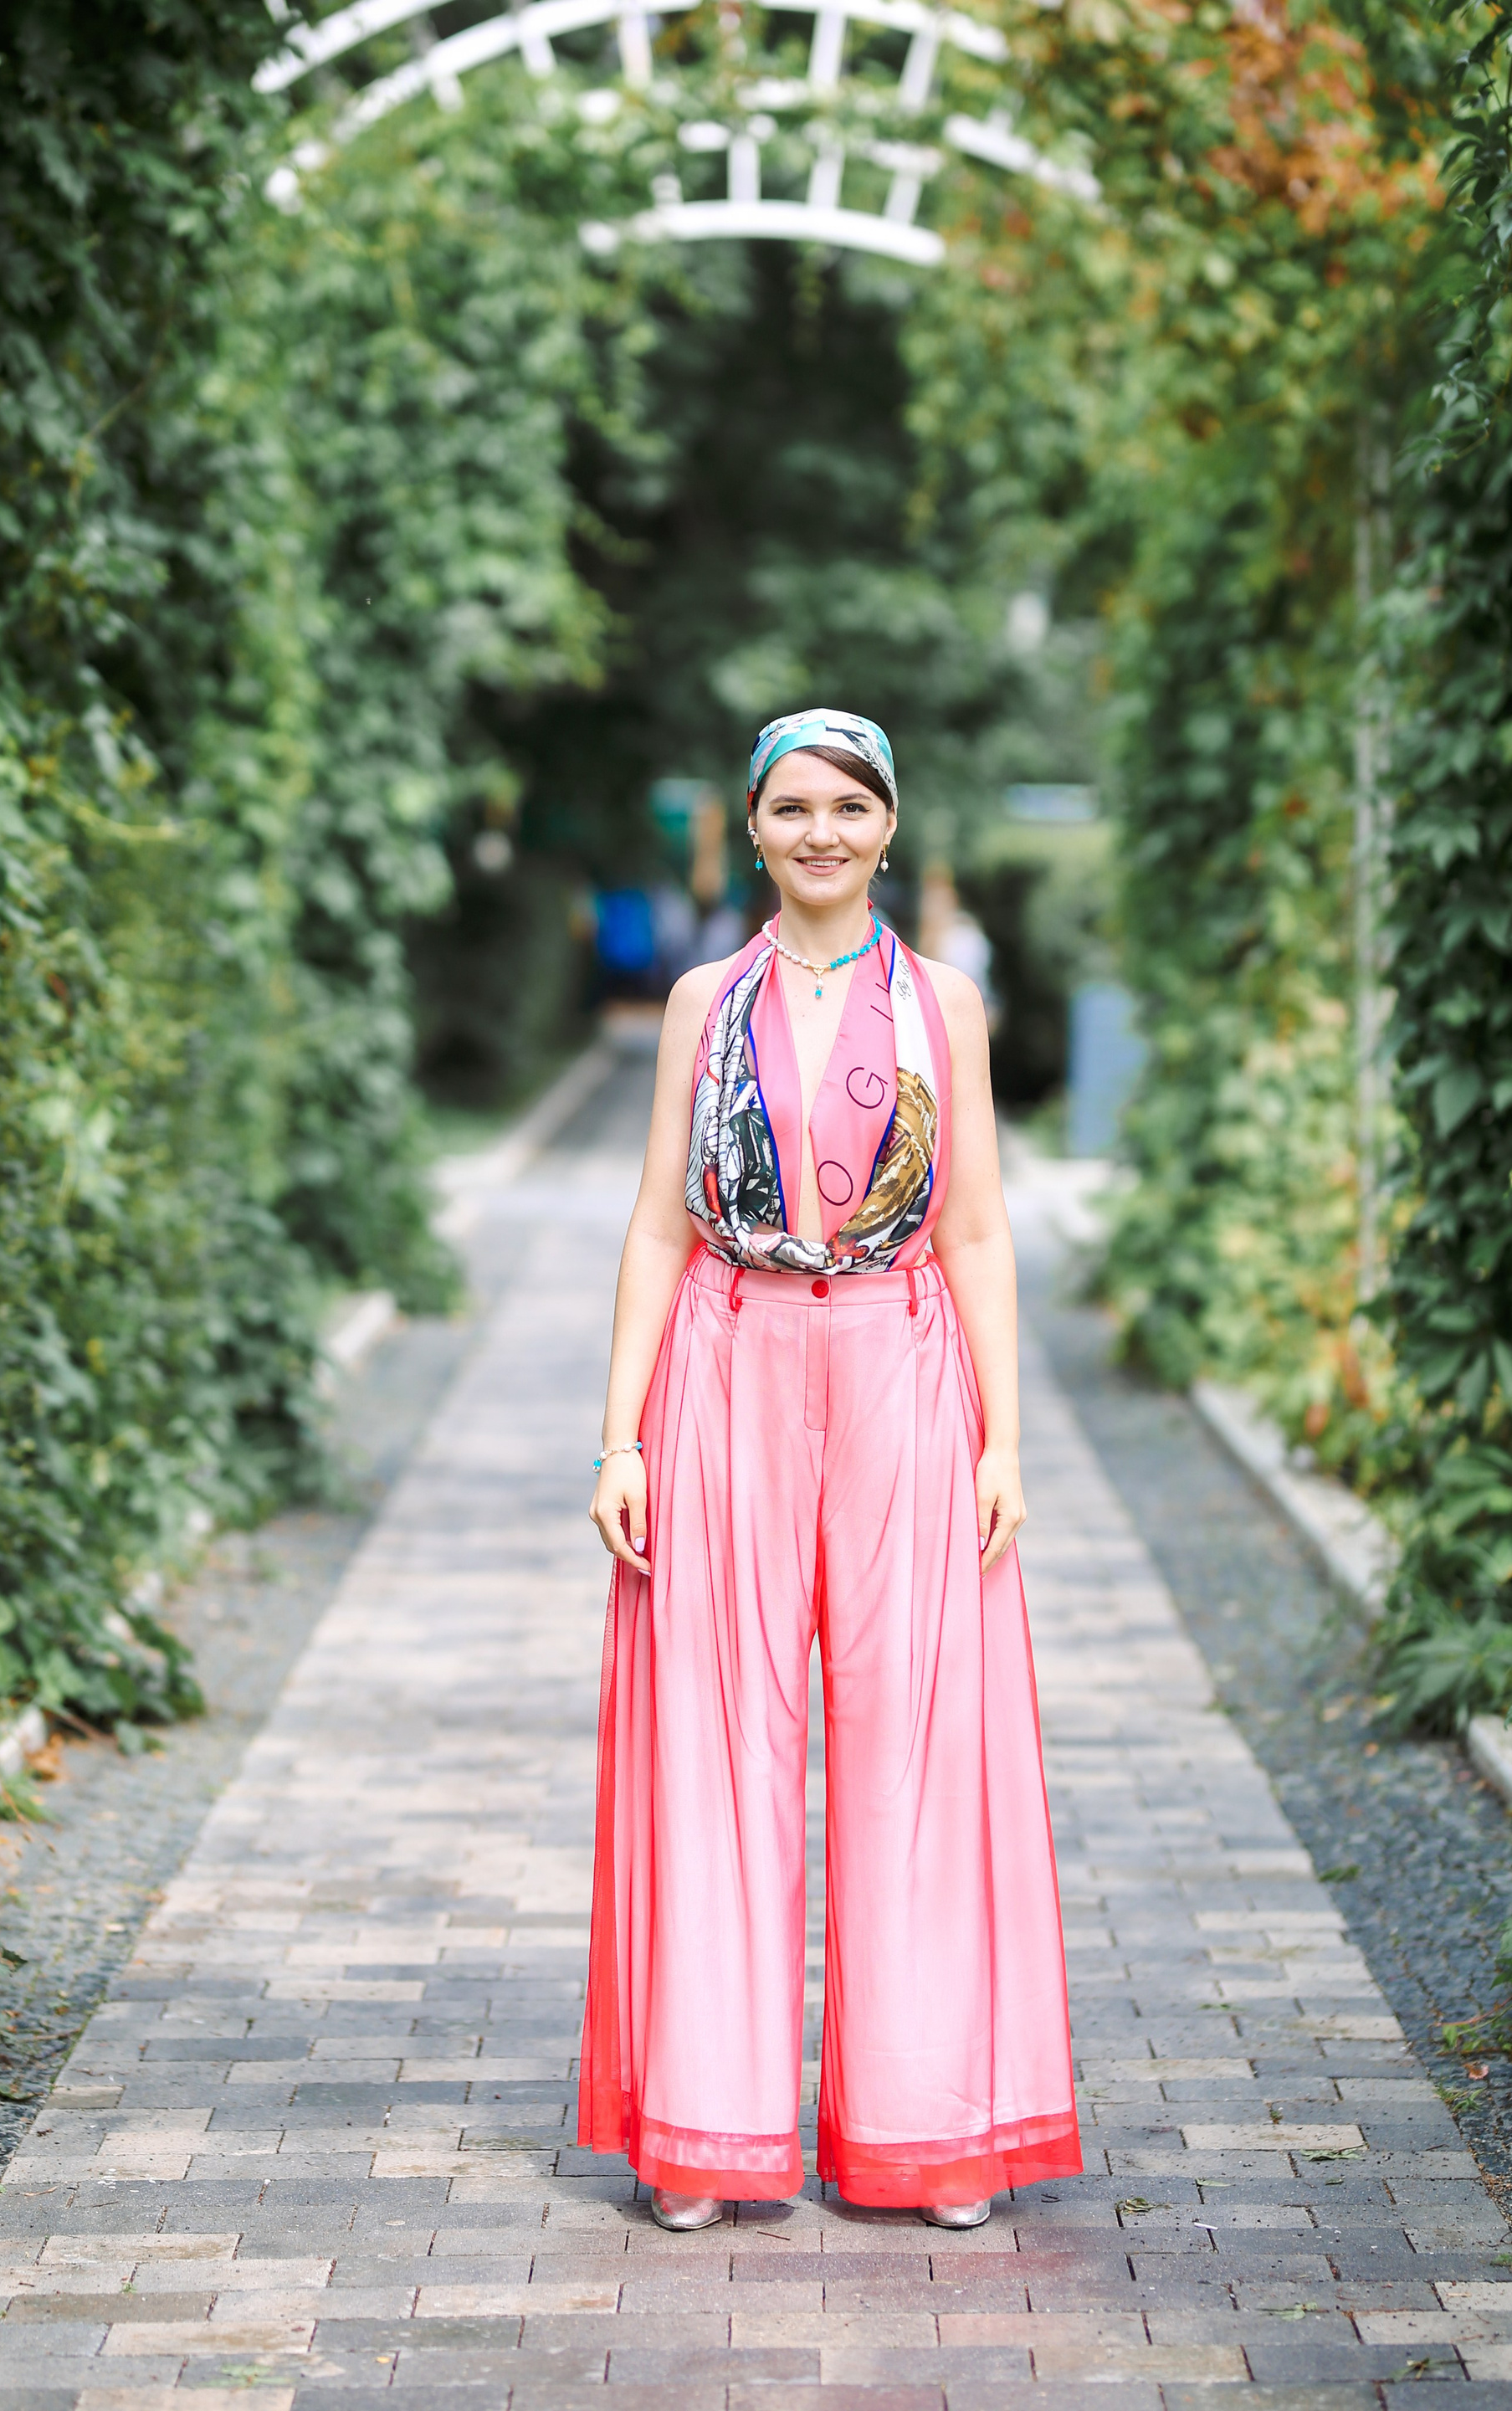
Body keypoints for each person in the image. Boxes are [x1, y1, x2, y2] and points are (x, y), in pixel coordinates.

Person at [579, 708, 1080, 2233]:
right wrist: (620, 1435)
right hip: (725, 1363)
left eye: (849, 806)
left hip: (902, 1367)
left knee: (915, 1744)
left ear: (888, 824)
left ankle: (926, 2131)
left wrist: (1005, 1435)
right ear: (752, 826)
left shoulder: (942, 1003)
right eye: (791, 806)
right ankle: (707, 2133)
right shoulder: (702, 1001)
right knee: (717, 1738)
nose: (821, 832)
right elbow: (659, 1223)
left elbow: (976, 1228)